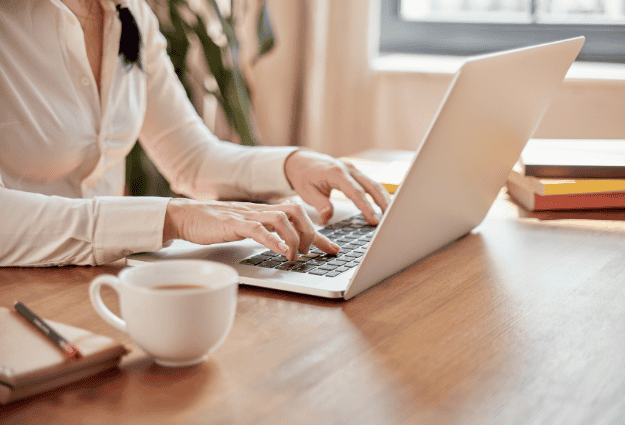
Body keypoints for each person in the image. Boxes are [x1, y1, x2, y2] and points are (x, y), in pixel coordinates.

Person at [0, 0, 390, 267]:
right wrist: (172, 218)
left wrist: (292, 164)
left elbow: (191, 158)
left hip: (100, 281)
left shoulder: (128, 13)